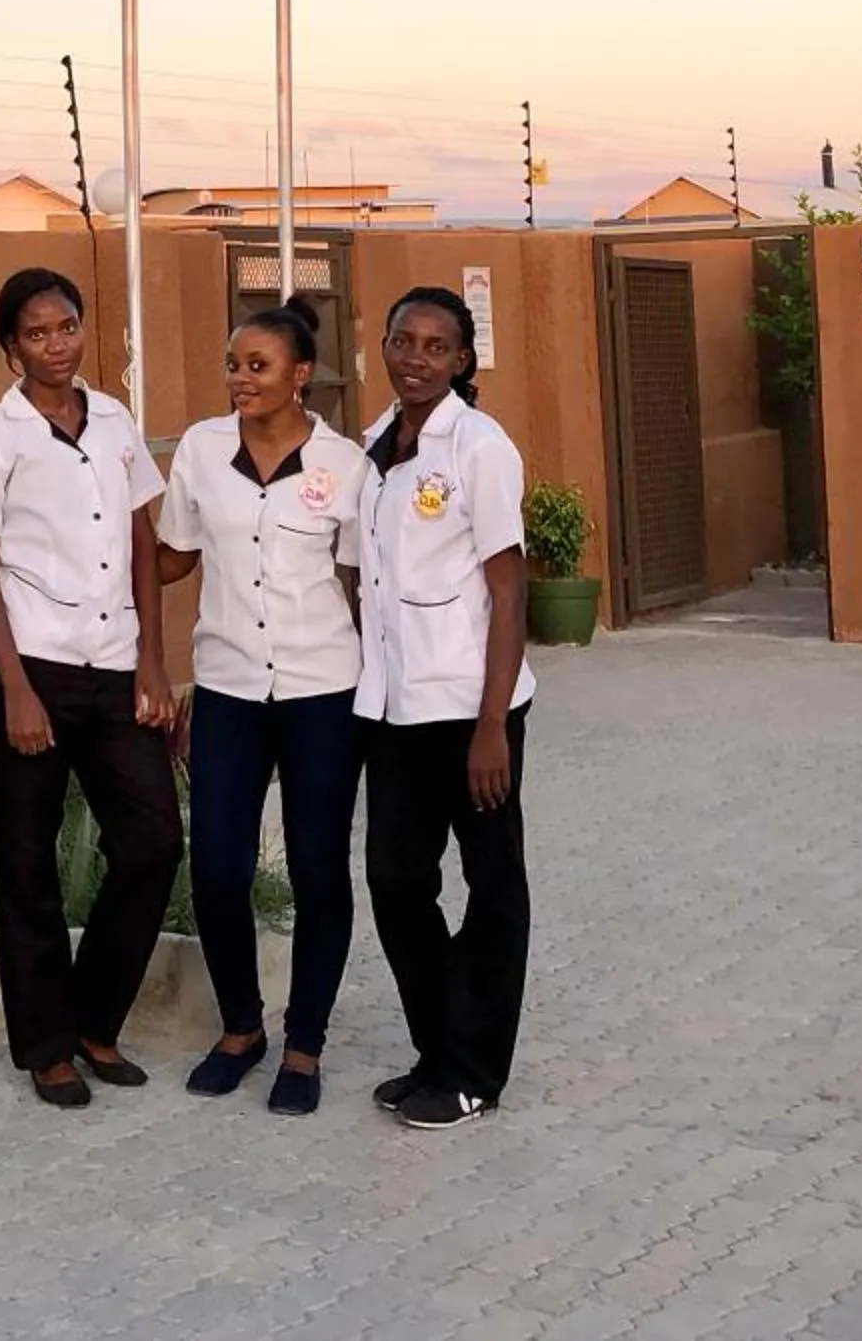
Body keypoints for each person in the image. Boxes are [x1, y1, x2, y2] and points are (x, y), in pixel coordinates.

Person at [0, 267, 183, 1109]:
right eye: (37, 333)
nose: (56, 345)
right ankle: (46, 1046)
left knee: (154, 841)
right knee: (27, 857)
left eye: (67, 327)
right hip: (28, 667)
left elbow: (140, 536)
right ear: (9, 347)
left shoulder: (116, 421)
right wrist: (13, 686)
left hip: (115, 664)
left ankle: (92, 1021)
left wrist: (153, 660)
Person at [153, 299, 368, 1115]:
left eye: (259, 366)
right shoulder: (203, 453)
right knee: (216, 867)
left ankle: (304, 1044)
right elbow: (172, 556)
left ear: (300, 375)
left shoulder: (345, 464)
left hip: (322, 691)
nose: (241, 379)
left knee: (318, 871)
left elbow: (360, 580)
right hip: (230, 688)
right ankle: (241, 1028)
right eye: (234, 365)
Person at [356, 284, 536, 1131]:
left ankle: (472, 1073)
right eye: (404, 342)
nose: (417, 359)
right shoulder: (372, 447)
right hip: (393, 709)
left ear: (463, 360)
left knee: (491, 886)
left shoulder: (480, 447)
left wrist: (493, 722)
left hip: (472, 709)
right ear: (382, 347)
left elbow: (508, 586)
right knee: (394, 880)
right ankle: (437, 1048)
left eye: (436, 346)